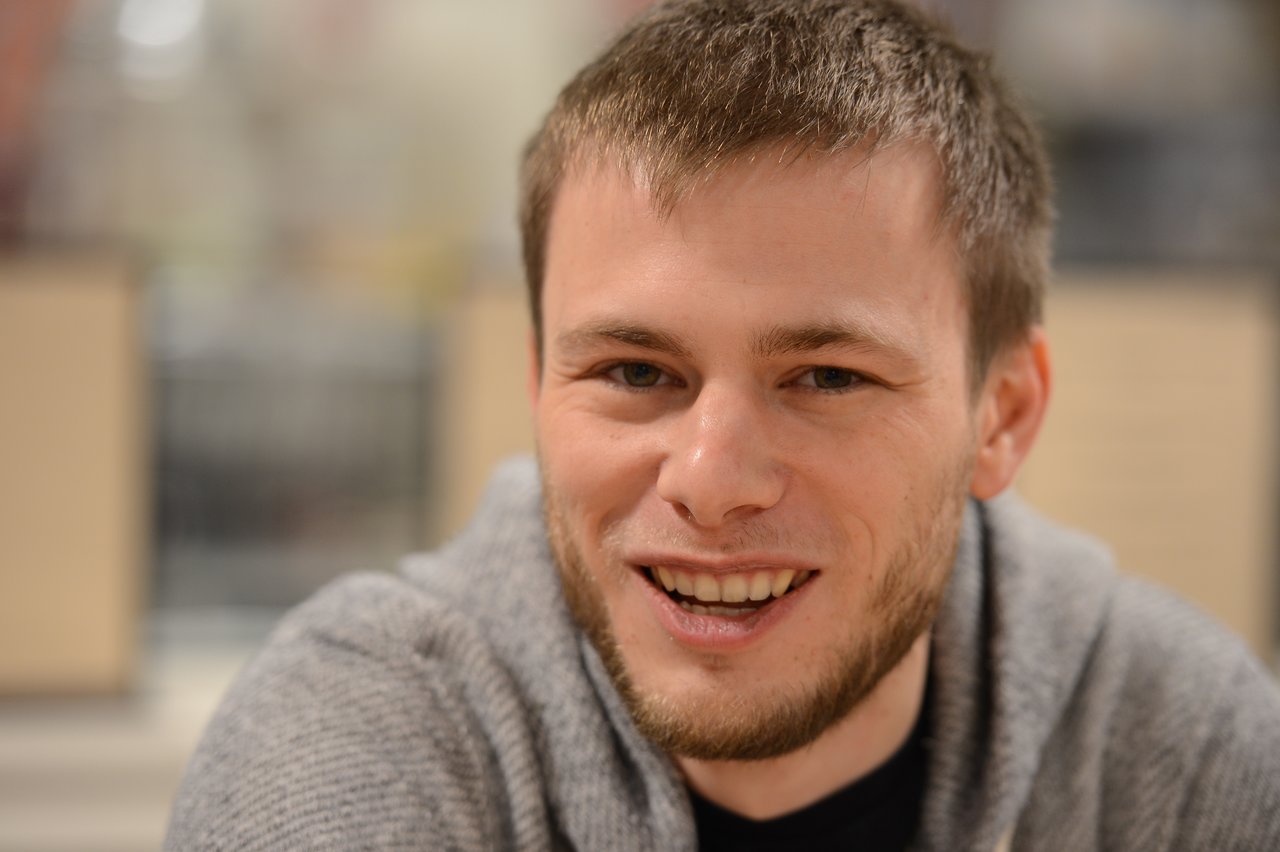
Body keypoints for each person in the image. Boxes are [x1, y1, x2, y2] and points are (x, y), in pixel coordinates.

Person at [166, 1, 1280, 849]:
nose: (710, 479)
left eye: (827, 378)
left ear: (1002, 416)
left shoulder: (1184, 753)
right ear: (537, 385)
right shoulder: (352, 747)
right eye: (635, 369)